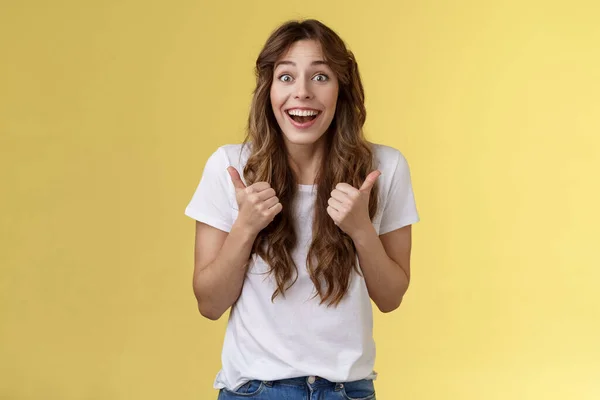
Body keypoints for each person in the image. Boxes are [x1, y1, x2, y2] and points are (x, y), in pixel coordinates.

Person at [184, 19, 419, 400]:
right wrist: (245, 228)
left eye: (321, 77)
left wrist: (361, 229)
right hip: (255, 391)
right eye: (287, 77)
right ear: (268, 90)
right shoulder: (230, 167)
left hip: (348, 391)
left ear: (342, 90)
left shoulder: (384, 169)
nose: (303, 93)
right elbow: (209, 304)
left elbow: (391, 297)